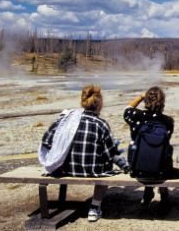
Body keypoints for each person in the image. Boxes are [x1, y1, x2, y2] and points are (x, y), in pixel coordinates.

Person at [40, 85, 121, 222]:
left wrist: (61, 151)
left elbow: (46, 142)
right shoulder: (101, 124)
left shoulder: (65, 120)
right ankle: (95, 207)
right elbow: (111, 154)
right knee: (106, 164)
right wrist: (125, 166)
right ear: (100, 103)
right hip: (91, 171)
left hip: (63, 169)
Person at [124, 86, 179, 209]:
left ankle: (148, 192)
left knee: (139, 147)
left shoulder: (136, 116)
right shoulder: (168, 121)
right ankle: (164, 192)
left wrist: (141, 96)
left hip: (137, 170)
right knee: (161, 150)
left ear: (146, 101)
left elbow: (127, 109)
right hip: (160, 172)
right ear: (163, 103)